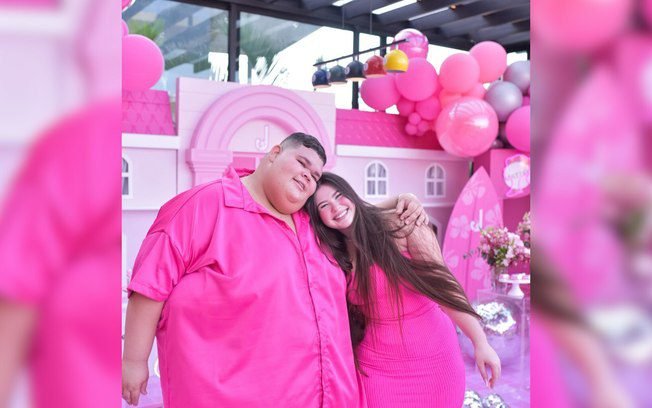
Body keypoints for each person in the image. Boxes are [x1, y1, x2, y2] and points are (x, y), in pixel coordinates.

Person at [121, 133, 427, 407]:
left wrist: (401, 200)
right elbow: (150, 284)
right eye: (302, 163)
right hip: (234, 394)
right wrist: (134, 361)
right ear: (274, 153)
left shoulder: (313, 223)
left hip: (332, 393)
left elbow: (354, 215)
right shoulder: (205, 204)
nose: (308, 176)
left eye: (315, 176)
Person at [306, 172, 501, 408]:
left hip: (436, 361)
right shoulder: (333, 254)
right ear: (319, 218)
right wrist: (400, 197)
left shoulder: (401, 224)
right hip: (377, 370)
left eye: (339, 196)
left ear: (351, 194)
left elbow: (443, 285)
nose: (336, 207)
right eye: (324, 206)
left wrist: (480, 341)